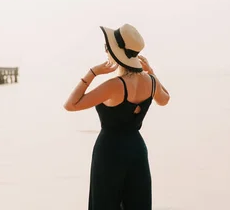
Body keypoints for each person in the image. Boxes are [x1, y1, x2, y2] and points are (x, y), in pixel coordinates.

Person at [64, 24, 170, 210]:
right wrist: (151, 72)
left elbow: (71, 105)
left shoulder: (114, 86)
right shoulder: (151, 82)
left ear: (114, 52)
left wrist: (92, 73)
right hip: (137, 150)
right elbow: (165, 99)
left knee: (104, 203)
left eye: (107, 48)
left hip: (110, 151)